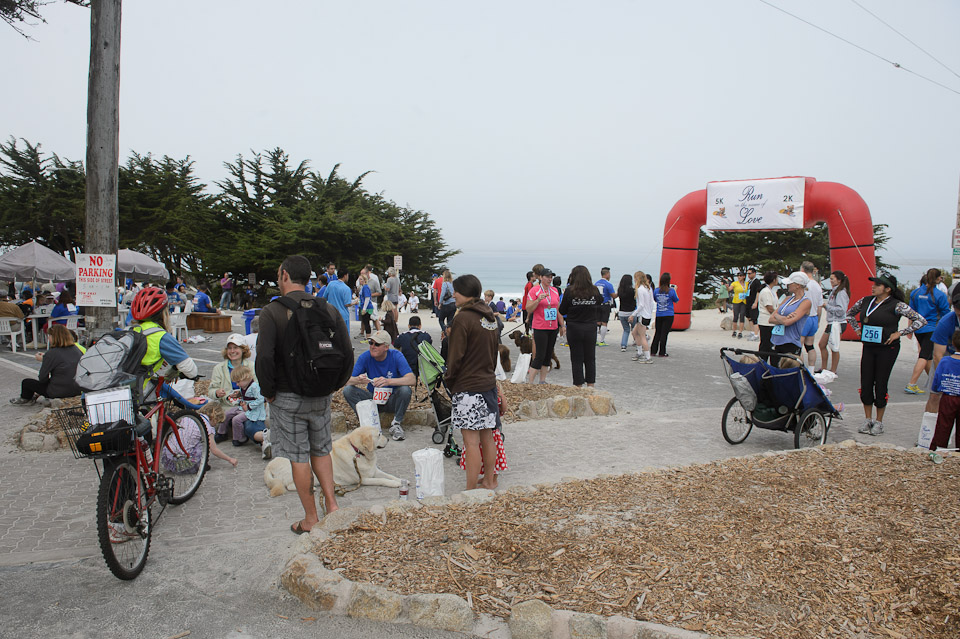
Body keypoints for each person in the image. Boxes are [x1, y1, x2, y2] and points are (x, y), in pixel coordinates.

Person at [257, 255, 353, 533]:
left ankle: (311, 518)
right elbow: (347, 353)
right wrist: (334, 385)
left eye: (279, 275)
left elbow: (264, 358)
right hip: (321, 394)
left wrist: (268, 392)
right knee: (321, 450)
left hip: (287, 397)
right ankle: (332, 506)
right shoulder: (328, 309)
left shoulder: (272, 312)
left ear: (285, 276)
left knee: (299, 457)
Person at [845, 273, 926, 436]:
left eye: (878, 285)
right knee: (866, 382)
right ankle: (867, 419)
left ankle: (879, 421)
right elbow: (849, 314)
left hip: (887, 348)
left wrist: (900, 333)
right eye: (873, 284)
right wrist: (857, 329)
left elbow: (920, 320)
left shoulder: (897, 305)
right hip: (869, 347)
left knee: (881, 383)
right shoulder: (865, 301)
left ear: (888, 289)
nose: (873, 287)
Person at [444, 274, 502, 490]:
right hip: (487, 383)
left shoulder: (463, 318)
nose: (453, 295)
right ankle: (489, 480)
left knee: (470, 442)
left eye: (456, 291)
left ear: (466, 293)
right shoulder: (489, 317)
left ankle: (470, 490)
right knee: (487, 437)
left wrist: (450, 380)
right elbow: (494, 353)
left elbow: (455, 357)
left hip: (468, 386)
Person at [342, 330, 415, 441]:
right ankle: (367, 423)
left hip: (392, 399)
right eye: (371, 343)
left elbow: (412, 379)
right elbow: (346, 381)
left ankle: (396, 424)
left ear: (386, 347)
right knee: (348, 390)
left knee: (405, 390)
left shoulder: (396, 356)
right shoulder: (365, 357)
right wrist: (358, 380)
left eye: (377, 344)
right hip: (373, 400)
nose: (372, 346)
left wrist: (388, 382)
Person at [10, 324, 83, 405]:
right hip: (77, 389)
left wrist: (45, 361)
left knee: (26, 382)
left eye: (50, 336)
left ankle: (25, 399)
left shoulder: (51, 353)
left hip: (58, 392)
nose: (48, 338)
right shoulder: (77, 350)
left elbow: (42, 378)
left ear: (54, 337)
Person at [905, 268, 950, 394]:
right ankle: (912, 383)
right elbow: (946, 313)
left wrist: (910, 328)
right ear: (938, 278)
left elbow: (911, 312)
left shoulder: (915, 293)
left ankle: (936, 382)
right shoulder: (939, 295)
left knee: (928, 356)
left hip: (918, 329)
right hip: (932, 328)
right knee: (924, 356)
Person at [559, 265, 603, 387]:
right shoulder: (594, 290)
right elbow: (600, 303)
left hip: (574, 327)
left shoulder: (570, 291)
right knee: (590, 357)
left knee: (576, 358)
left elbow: (562, 310)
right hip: (590, 327)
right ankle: (590, 385)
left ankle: (578, 386)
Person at [214, 365, 270, 457]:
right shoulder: (244, 386)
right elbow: (244, 394)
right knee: (227, 413)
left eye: (238, 382)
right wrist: (237, 395)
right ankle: (222, 432)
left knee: (236, 419)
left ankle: (240, 438)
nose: (237, 384)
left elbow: (261, 399)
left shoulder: (254, 387)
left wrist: (249, 406)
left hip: (253, 411)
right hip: (242, 406)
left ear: (246, 378)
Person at [525, 267, 564, 383]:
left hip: (553, 327)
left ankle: (542, 380)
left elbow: (557, 310)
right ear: (541, 277)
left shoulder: (555, 291)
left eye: (551, 277)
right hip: (540, 327)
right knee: (540, 355)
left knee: (548, 354)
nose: (549, 279)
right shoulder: (535, 290)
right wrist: (537, 300)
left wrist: (562, 325)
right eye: (547, 277)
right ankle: (530, 382)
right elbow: (528, 308)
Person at [769, 271, 813, 367]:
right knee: (774, 369)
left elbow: (788, 322)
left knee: (788, 370)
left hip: (790, 341)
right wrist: (783, 318)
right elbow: (771, 318)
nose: (787, 285)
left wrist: (780, 317)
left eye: (790, 283)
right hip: (776, 340)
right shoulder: (787, 299)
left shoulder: (805, 302)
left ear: (798, 285)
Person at [928, 329, 960, 451]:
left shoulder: (945, 361)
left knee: (943, 425)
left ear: (953, 343)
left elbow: (937, 378)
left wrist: (936, 389)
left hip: (948, 398)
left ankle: (938, 449)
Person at [210, 332, 256, 414]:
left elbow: (259, 387)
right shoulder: (219, 368)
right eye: (229, 348)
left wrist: (243, 393)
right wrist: (216, 393)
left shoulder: (252, 366)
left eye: (235, 348)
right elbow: (211, 390)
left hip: (248, 407)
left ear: (243, 349)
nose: (232, 351)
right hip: (226, 408)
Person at [817, 270, 850, 374]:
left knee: (834, 347)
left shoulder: (841, 292)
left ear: (839, 280)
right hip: (832, 322)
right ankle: (824, 368)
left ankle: (833, 370)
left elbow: (841, 310)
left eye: (832, 279)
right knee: (822, 344)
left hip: (837, 323)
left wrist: (826, 306)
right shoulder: (834, 291)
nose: (830, 281)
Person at [650, 273, 680, 357]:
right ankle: (662, 352)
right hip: (668, 314)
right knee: (664, 333)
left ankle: (653, 351)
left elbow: (655, 300)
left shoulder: (656, 290)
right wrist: (675, 290)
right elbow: (676, 300)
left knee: (657, 333)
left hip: (659, 314)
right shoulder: (671, 291)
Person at [800, 261, 824, 368]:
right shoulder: (817, 286)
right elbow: (820, 306)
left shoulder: (803, 285)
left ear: (802, 270)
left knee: (798, 346)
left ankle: (800, 368)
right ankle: (811, 369)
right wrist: (818, 321)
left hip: (804, 318)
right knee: (810, 346)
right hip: (814, 317)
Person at [630, 270, 654, 363]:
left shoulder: (640, 289)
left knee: (642, 336)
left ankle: (648, 357)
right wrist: (649, 313)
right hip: (647, 315)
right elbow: (651, 303)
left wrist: (633, 314)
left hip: (642, 315)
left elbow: (641, 305)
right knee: (635, 333)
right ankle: (640, 352)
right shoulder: (648, 288)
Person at [322, 269, 356, 335]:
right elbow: (347, 304)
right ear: (345, 276)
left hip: (331, 313)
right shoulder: (346, 289)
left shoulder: (330, 284)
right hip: (342, 315)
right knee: (344, 334)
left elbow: (324, 297)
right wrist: (354, 303)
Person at [756, 271, 779, 360]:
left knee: (771, 345)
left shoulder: (772, 291)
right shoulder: (766, 291)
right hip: (766, 322)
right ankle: (762, 362)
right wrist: (779, 315)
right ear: (773, 280)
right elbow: (769, 308)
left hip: (771, 322)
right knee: (765, 344)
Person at [594, 267, 617, 346]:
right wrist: (620, 292)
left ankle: (595, 340)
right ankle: (602, 340)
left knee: (597, 322)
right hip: (605, 305)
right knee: (604, 322)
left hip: (597, 305)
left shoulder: (596, 283)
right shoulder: (608, 284)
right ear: (607, 274)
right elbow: (613, 296)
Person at [616, 273, 636, 352]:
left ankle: (623, 345)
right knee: (635, 329)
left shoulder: (620, 290)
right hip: (631, 313)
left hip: (622, 313)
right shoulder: (632, 291)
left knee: (626, 330)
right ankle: (637, 343)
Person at [745, 267, 763, 342]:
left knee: (754, 318)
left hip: (753, 302)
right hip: (748, 301)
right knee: (749, 317)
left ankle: (756, 334)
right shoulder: (749, 282)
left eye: (750, 273)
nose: (748, 275)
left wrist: (756, 302)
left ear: (754, 273)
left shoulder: (757, 282)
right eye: (748, 274)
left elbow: (758, 292)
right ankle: (752, 332)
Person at [730, 272, 747, 338]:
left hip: (744, 301)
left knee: (742, 315)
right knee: (736, 316)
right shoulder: (735, 283)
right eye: (738, 276)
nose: (739, 277)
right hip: (736, 301)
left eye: (740, 276)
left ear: (744, 276)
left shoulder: (746, 284)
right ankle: (734, 331)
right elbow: (730, 288)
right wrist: (727, 287)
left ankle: (740, 332)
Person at [357, 274, 374, 340]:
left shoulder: (365, 287)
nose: (360, 281)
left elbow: (367, 298)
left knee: (366, 322)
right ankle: (367, 336)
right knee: (364, 321)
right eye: (359, 279)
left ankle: (368, 337)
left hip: (367, 307)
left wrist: (364, 308)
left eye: (361, 279)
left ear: (364, 280)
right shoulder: (362, 287)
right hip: (363, 306)